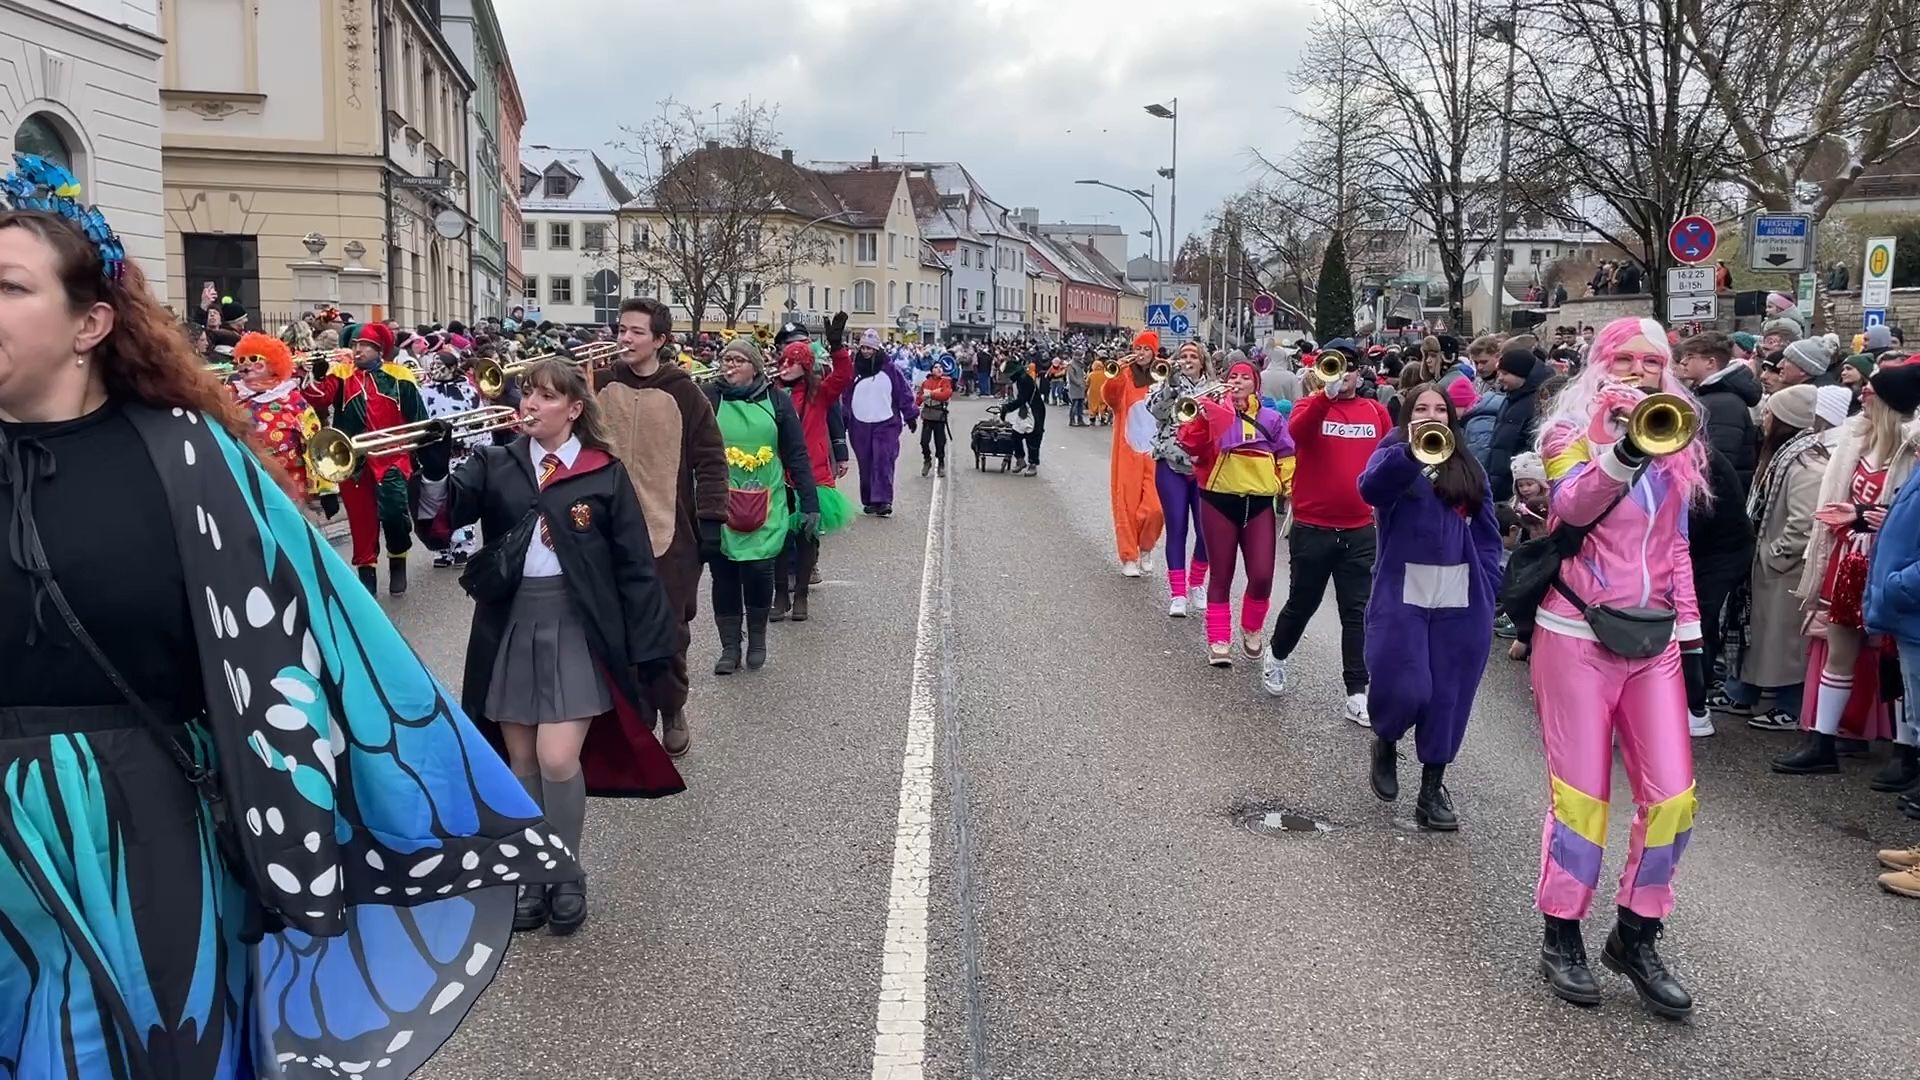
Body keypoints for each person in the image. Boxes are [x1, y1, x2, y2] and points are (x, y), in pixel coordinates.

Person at [0, 158, 575, 1077]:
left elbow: (313, 651)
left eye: (9, 285)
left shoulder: (186, 457)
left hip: (142, 830)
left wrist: (318, 823)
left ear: (90, 323)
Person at [413, 358, 685, 936]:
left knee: (560, 758)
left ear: (574, 409)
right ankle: (532, 873)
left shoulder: (601, 472)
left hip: (575, 625)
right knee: (523, 763)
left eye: (544, 396)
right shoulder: (495, 463)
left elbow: (635, 567)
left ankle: (566, 871)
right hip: (510, 626)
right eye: (526, 394)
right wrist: (435, 471)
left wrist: (654, 647)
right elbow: (439, 528)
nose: (530, 404)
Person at [1528, 316, 1707, 1020]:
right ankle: (1562, 934)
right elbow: (1572, 505)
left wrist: (1691, 641)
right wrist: (1621, 446)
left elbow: (1678, 550)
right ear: (1598, 365)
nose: (1637, 370)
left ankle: (1637, 934)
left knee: (1672, 800)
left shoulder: (1678, 446)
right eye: (1623, 358)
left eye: (1651, 361)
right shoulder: (1568, 435)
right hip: (1574, 636)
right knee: (1582, 801)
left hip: (1653, 641)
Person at [1358, 384, 1502, 830]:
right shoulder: (1393, 451)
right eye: (1421, 408)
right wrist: (1411, 454)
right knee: (1405, 685)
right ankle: (1385, 736)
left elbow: (1487, 531)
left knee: (1447, 697)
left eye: (1440, 409)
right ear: (1407, 414)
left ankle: (1431, 789)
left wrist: (1489, 584)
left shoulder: (1468, 464)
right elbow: (1371, 492)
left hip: (1460, 596)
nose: (1431, 414)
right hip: (1403, 587)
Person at [595, 297, 729, 757]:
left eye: (636, 332)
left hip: (667, 533)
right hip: (607, 533)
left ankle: (672, 706)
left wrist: (711, 519)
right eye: (621, 330)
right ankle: (634, 716)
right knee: (618, 629)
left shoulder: (684, 393)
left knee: (668, 629)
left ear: (659, 340)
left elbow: (712, 460)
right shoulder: (599, 386)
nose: (625, 339)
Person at [1773, 359, 1920, 776]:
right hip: (1848, 555)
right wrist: (1853, 515)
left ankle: (1905, 751)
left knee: (1896, 655)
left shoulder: (1912, 450)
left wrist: (1877, 516)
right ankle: (1823, 740)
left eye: (1874, 392)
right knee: (1838, 649)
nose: (1864, 397)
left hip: (1891, 560)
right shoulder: (1856, 443)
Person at [1262, 340, 1391, 725]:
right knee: (1304, 603)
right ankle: (1277, 655)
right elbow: (1296, 435)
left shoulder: (1376, 411)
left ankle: (1357, 691)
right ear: (1321, 370)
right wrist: (1323, 397)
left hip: (1359, 529)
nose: (1345, 373)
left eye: (1351, 366)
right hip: (1313, 528)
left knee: (1357, 612)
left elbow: (1387, 459)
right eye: (1337, 366)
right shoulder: (1308, 406)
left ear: (1360, 371)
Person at [1719, 386, 1833, 731]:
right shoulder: (1784, 456)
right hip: (1766, 566)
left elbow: (1803, 523)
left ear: (1783, 420)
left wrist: (1773, 556)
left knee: (1784, 644)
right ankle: (1742, 692)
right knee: (1757, 635)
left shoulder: (1804, 465)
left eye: (1769, 413)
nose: (1763, 418)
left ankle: (1789, 706)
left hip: (1784, 571)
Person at [704, 338, 820, 673]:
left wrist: (810, 503)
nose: (730, 365)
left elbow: (797, 455)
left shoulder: (777, 401)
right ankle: (729, 647)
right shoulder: (710, 398)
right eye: (726, 359)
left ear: (755, 366)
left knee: (758, 571)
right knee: (723, 574)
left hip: (765, 502)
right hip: (720, 500)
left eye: (738, 360)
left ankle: (757, 636)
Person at [1176, 356, 1293, 665]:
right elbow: (1190, 445)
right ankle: (1218, 639)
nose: (1238, 381)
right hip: (1218, 500)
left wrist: (1289, 489)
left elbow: (1287, 454)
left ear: (1256, 384)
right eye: (1233, 376)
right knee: (1222, 573)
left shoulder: (1271, 418)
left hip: (1257, 504)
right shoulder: (1213, 413)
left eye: (1245, 377)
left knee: (1262, 574)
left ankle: (1251, 628)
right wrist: (1204, 417)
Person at [302, 319, 428, 595]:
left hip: (394, 456)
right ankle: (366, 576)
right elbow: (318, 399)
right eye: (355, 345)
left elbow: (419, 417)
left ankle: (397, 558)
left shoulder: (400, 376)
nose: (358, 350)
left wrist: (422, 448)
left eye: (365, 346)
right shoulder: (341, 375)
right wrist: (319, 376)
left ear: (379, 349)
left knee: (395, 512)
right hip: (354, 459)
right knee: (361, 519)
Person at [770, 318, 856, 621]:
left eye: (793, 362)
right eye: (784, 361)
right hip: (779, 474)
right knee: (779, 539)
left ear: (805, 366)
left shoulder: (818, 393)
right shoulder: (771, 393)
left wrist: (837, 348)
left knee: (806, 536)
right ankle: (780, 595)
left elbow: (844, 375)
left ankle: (802, 594)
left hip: (813, 474)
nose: (786, 366)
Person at [1148, 341, 1215, 615]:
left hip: (1204, 467)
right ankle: (1177, 593)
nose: (1188, 360)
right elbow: (1156, 411)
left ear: (1202, 362)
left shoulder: (1214, 388)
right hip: (1171, 464)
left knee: (1207, 531)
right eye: (1183, 356)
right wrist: (1170, 385)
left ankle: (1197, 583)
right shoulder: (1163, 384)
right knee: (1177, 528)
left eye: (1193, 356)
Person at [1103, 331, 1166, 576]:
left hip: (1155, 451)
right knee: (1126, 505)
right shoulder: (1126, 375)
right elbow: (1110, 398)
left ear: (1154, 352)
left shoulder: (1162, 375)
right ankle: (1129, 556)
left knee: (1155, 508)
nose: (1140, 353)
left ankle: (1146, 547)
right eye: (1137, 348)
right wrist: (1116, 374)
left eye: (1145, 349)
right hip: (1129, 450)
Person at [846, 328, 917, 515]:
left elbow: (903, 392)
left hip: (886, 422)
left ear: (877, 349)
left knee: (883, 458)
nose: (866, 352)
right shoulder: (854, 371)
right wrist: (843, 420)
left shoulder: (890, 369)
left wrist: (910, 415)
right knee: (866, 462)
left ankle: (883, 499)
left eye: (870, 349)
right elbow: (845, 396)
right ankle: (869, 499)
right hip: (860, 424)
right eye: (863, 348)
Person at [1004, 354, 1046, 476]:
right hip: (1024, 411)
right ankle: (1020, 460)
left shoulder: (1024, 380)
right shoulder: (1017, 381)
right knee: (1015, 435)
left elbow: (1022, 399)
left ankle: (1033, 464)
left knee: (1033, 438)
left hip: (1034, 411)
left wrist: (1007, 408)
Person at [918, 354, 955, 476]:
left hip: (939, 416)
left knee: (940, 442)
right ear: (932, 370)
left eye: (940, 367)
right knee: (924, 441)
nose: (938, 369)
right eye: (936, 367)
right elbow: (919, 397)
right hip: (927, 416)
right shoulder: (926, 383)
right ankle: (927, 459)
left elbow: (946, 395)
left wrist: (931, 395)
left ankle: (941, 463)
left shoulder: (945, 382)